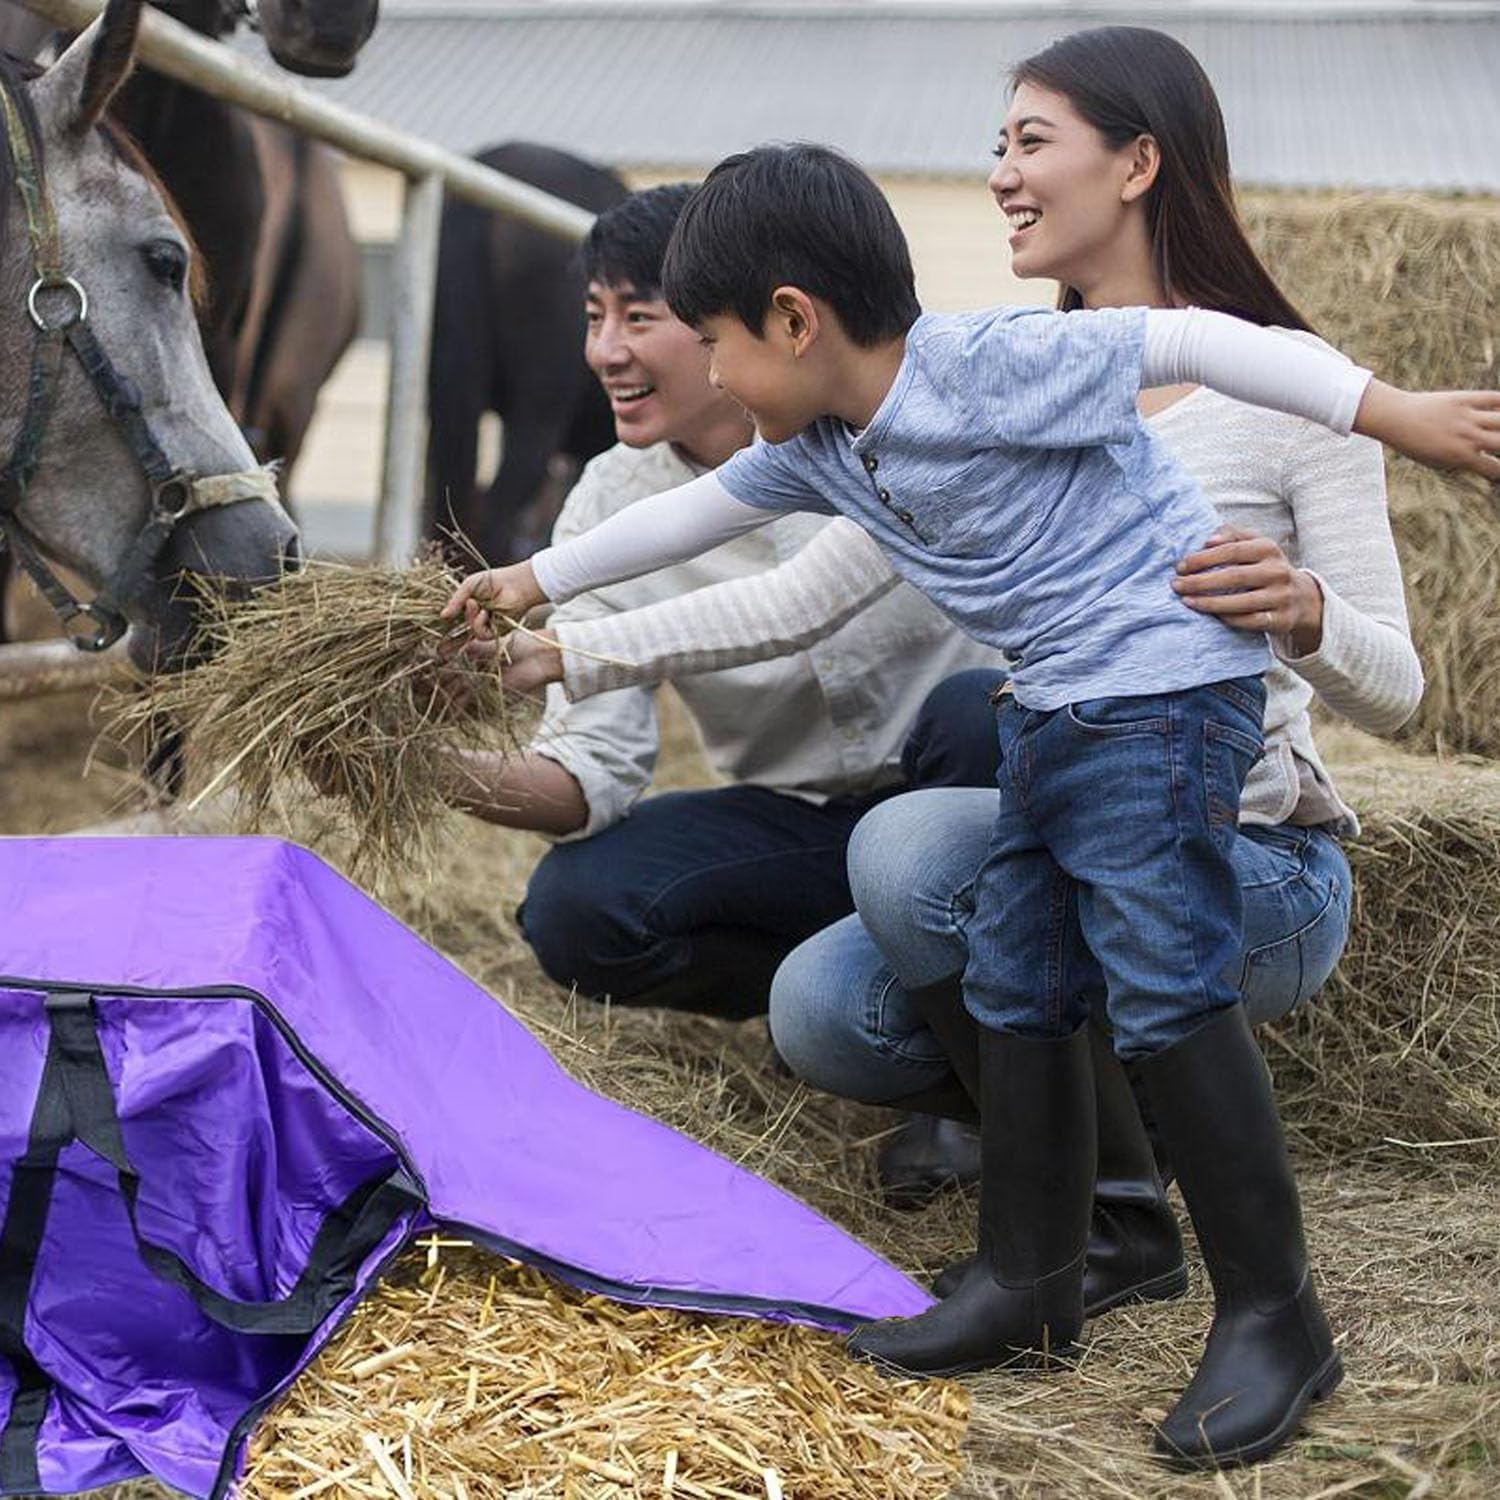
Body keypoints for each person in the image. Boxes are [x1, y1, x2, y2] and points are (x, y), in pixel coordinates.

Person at [442, 140, 1497, 1469]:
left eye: (712, 338)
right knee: (1017, 970)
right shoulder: (824, 447)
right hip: (1058, 701)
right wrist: (532, 592)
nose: (707, 372)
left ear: (792, 320)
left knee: (1163, 982)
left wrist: (1391, 411)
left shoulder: (988, 361)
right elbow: (686, 526)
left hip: (1169, 686)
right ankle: (1033, 1278)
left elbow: (1212, 345)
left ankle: (1279, 1319)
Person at [436, 183, 1001, 1024]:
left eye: (640, 317)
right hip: (803, 833)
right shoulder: (611, 500)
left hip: (965, 800)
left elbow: (792, 605)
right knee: (577, 906)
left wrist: (554, 645)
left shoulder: (883, 428)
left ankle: (956, 1039)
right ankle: (851, 998)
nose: (604, 351)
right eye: (594, 318)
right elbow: (591, 770)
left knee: (975, 716)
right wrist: (416, 766)